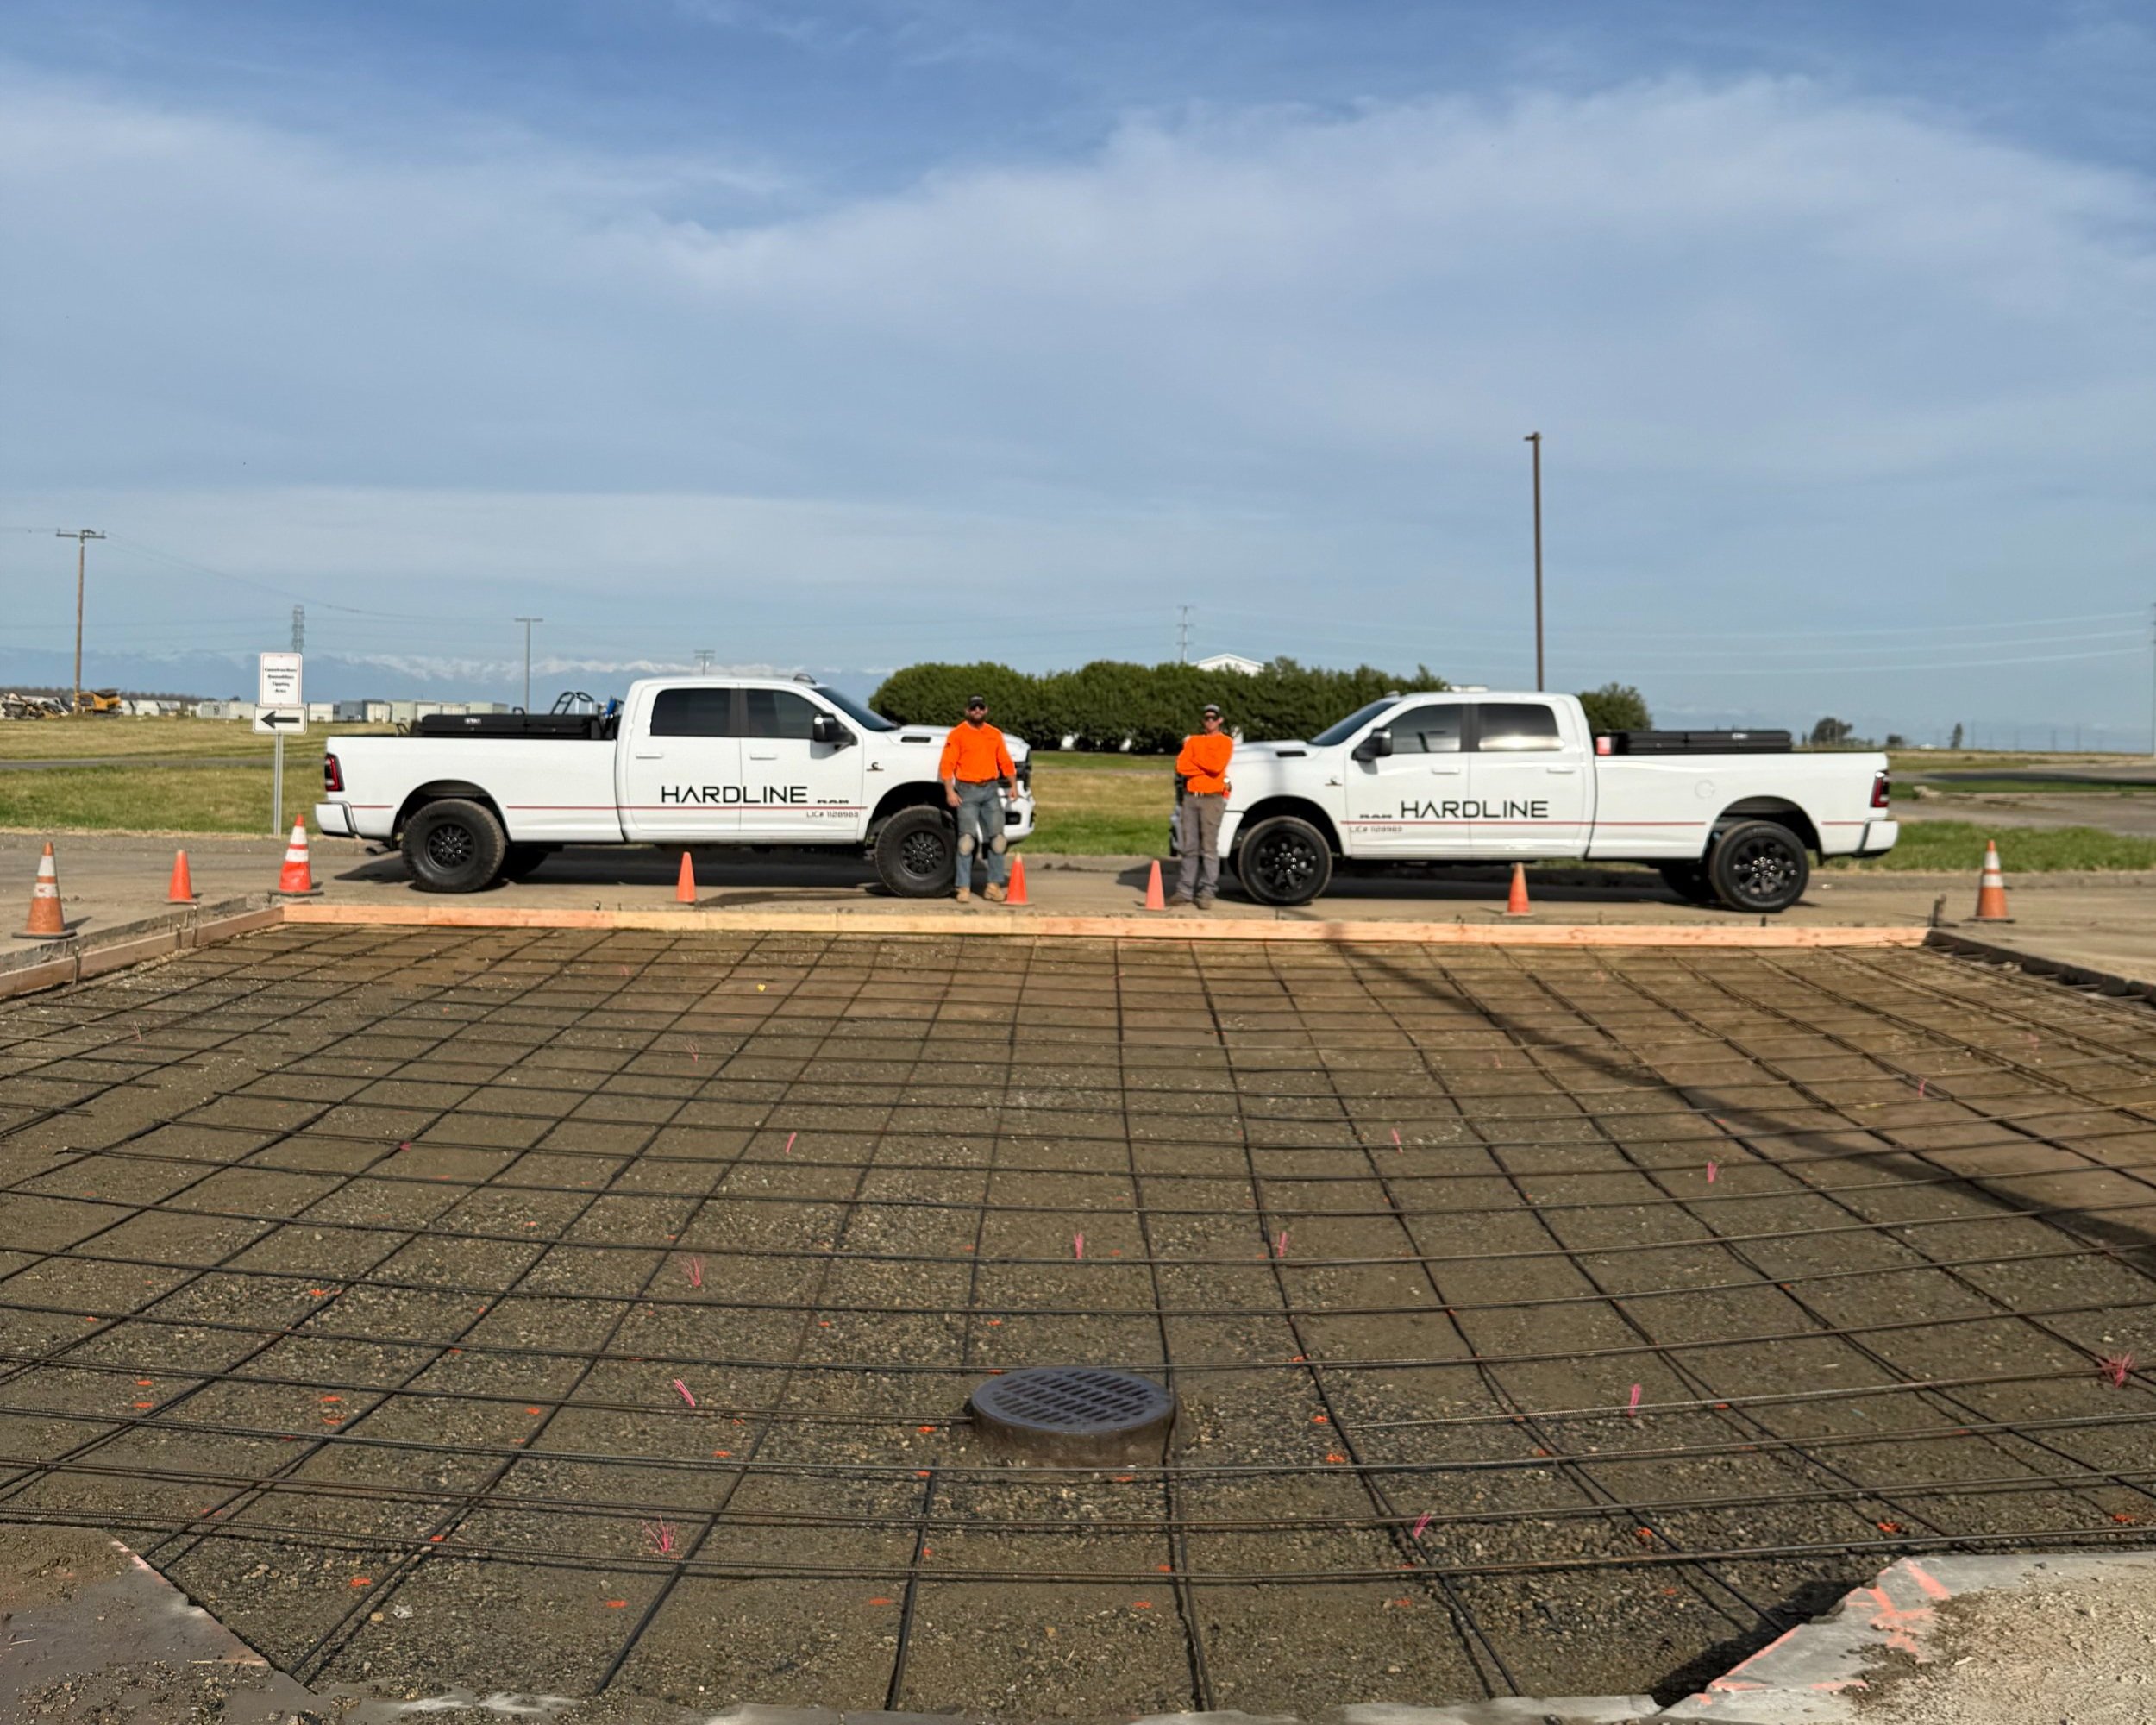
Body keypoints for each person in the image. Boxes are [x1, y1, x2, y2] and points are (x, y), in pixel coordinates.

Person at [940, 693, 1017, 903]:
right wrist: (950, 790)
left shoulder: (994, 734)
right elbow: (947, 764)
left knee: (998, 840)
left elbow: (1005, 761)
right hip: (967, 791)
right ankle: (963, 887)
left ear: (986, 710)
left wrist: (1013, 785)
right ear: (967, 711)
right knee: (966, 841)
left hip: (990, 789)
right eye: (973, 708)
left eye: (980, 708)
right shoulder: (957, 735)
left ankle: (993, 886)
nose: (977, 711)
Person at [1172, 702, 1233, 909]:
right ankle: (1184, 890)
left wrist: (1195, 760)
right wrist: (1202, 764)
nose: (1210, 721)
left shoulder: (1225, 742)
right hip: (1191, 798)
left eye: (1213, 718)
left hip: (1212, 799)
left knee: (1208, 848)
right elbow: (1181, 765)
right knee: (1189, 847)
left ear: (1220, 720)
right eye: (1206, 718)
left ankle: (1207, 891)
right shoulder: (1194, 741)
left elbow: (1217, 767)